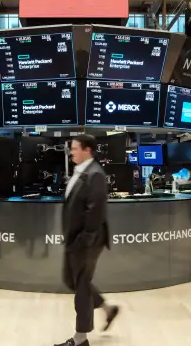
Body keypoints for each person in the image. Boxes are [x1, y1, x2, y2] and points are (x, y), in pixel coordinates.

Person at [56, 134, 119, 346]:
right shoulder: (81, 171)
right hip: (75, 238)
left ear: (87, 150)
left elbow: (96, 211)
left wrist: (85, 240)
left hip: (86, 241)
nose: (71, 152)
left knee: (81, 285)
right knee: (71, 280)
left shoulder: (95, 174)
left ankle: (80, 338)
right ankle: (107, 309)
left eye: (74, 148)